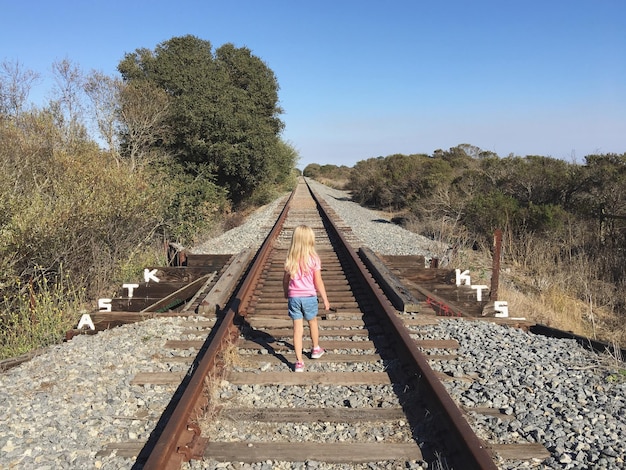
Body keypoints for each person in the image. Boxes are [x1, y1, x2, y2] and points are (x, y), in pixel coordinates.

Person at [283, 225, 330, 372]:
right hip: (309, 297)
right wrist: (325, 299)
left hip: (294, 298)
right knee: (312, 321)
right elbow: (318, 281)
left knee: (297, 330)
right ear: (310, 240)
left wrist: (286, 292)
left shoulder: (291, 259)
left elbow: (285, 280)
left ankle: (299, 363)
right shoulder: (314, 259)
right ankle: (315, 349)